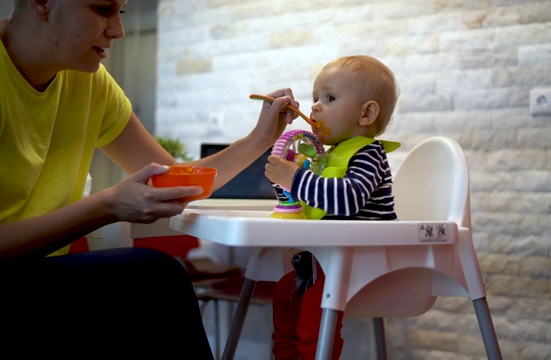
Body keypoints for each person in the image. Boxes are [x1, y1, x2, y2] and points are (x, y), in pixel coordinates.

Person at [0, 0, 299, 358]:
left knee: (153, 279)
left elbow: (175, 181)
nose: (118, 30)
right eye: (102, 9)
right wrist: (106, 205)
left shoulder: (90, 83)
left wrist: (260, 139)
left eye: (121, 12)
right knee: (151, 279)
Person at [264, 55, 400, 360]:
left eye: (329, 98)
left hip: (366, 264)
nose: (314, 107)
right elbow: (300, 200)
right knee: (285, 291)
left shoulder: (368, 155)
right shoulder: (326, 157)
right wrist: (284, 177)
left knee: (314, 300)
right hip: (326, 262)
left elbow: (348, 199)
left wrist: (296, 179)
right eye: (314, 99)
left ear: (367, 113)